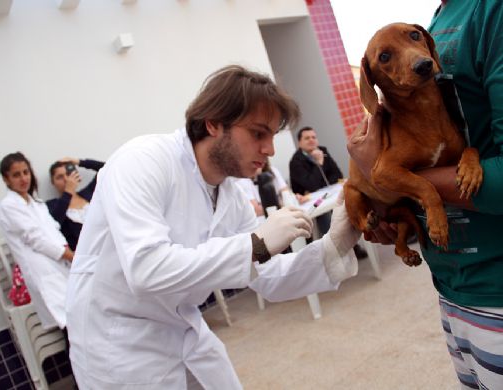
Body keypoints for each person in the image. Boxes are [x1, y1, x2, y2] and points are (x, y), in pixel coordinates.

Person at [65, 65, 362, 389]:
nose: (270, 150)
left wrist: (336, 245)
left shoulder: (229, 194)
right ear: (213, 124)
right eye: (257, 133)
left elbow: (268, 275)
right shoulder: (142, 161)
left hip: (181, 325)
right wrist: (254, 244)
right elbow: (145, 269)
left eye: (272, 136)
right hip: (116, 342)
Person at [349, 1, 503, 388]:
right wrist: (389, 211)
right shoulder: (440, 16)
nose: (417, 56)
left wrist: (384, 172)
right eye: (388, 57)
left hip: (499, 294)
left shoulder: (495, 10)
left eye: (415, 40)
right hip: (450, 288)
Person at [0, 152, 73, 331]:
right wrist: (71, 256)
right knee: (68, 322)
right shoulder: (9, 206)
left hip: (60, 263)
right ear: (6, 179)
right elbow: (36, 240)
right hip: (43, 270)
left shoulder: (36, 203)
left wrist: (68, 252)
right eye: (16, 175)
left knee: (75, 315)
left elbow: (53, 230)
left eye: (26, 172)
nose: (23, 178)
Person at [290, 127, 367, 258]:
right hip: (310, 204)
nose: (311, 140)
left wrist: (322, 177)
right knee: (325, 215)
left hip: (328, 195)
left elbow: (337, 174)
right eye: (307, 138)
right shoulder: (295, 162)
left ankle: (352, 244)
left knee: (347, 204)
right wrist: (319, 164)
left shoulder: (322, 151)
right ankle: (336, 250)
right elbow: (311, 184)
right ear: (299, 142)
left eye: (314, 137)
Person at [47, 158, 105, 251]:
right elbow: (54, 224)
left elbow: (106, 168)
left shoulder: (88, 193)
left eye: (68, 174)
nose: (66, 179)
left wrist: (79, 162)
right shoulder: (52, 205)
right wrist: (68, 192)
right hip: (83, 255)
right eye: (60, 177)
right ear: (53, 182)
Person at [236, 161, 309, 218]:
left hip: (281, 214)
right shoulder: (242, 180)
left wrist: (294, 198)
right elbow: (256, 210)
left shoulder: (273, 171)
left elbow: (286, 192)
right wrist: (284, 203)